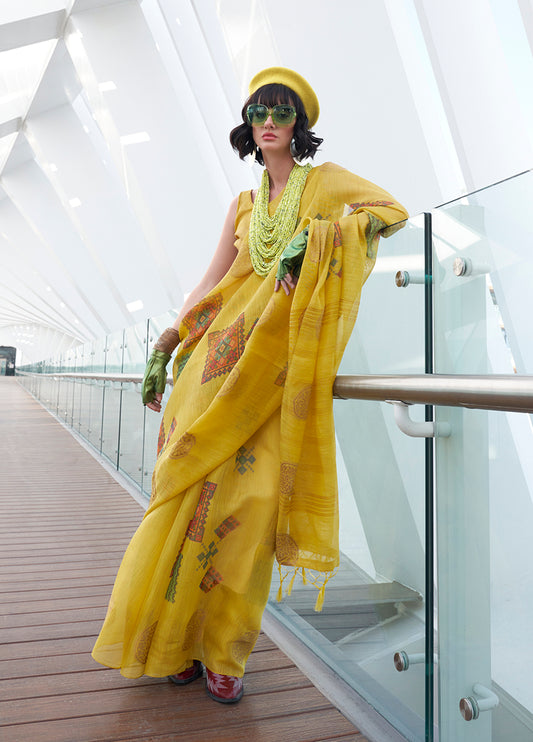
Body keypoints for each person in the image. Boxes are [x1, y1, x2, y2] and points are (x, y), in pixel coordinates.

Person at [92, 67, 408, 704]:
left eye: (282, 111)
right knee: (188, 508)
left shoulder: (324, 185)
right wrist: (166, 342)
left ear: (299, 125)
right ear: (248, 123)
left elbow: (389, 212)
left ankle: (225, 651)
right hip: (212, 370)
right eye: (259, 110)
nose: (269, 120)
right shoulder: (242, 205)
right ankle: (175, 643)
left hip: (274, 382)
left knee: (254, 512)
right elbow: (213, 280)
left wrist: (313, 243)